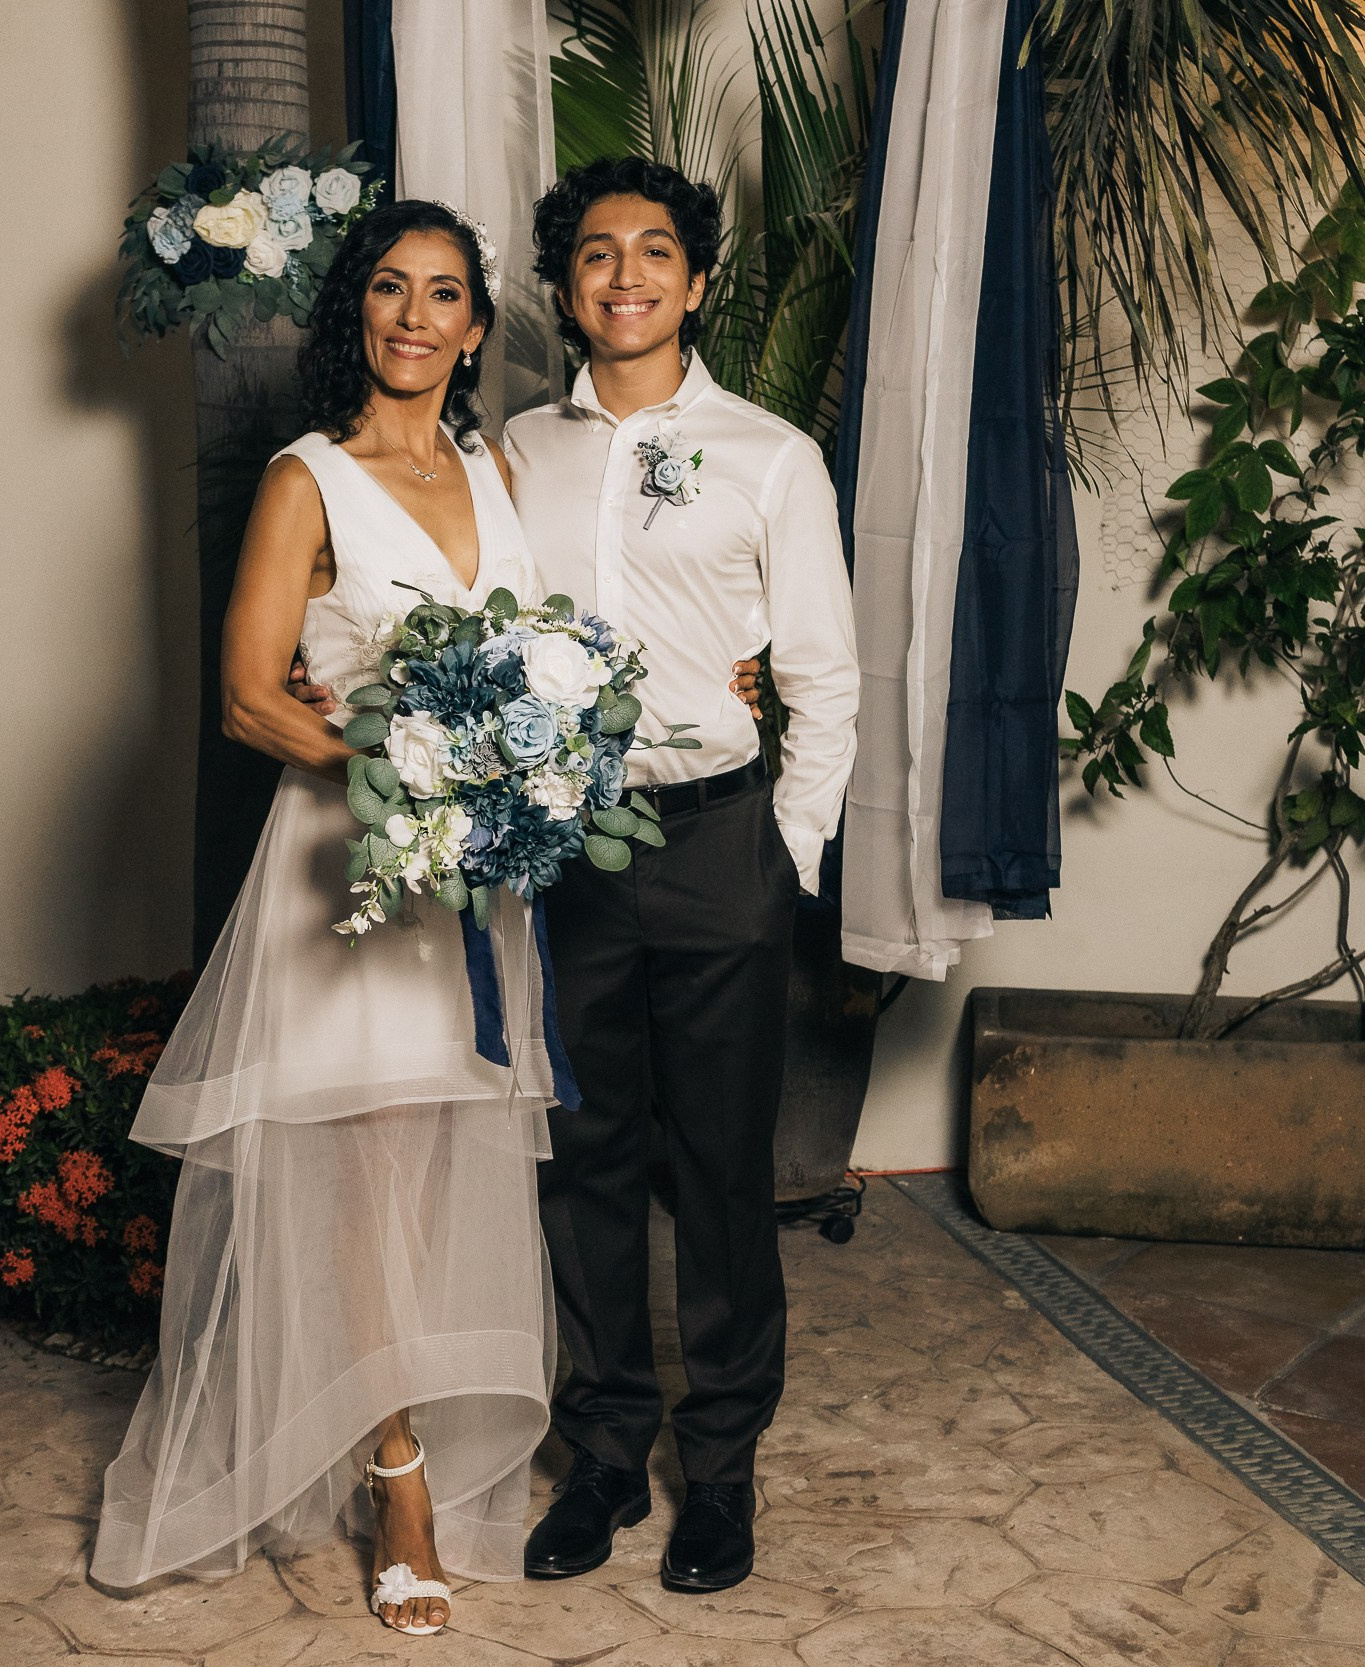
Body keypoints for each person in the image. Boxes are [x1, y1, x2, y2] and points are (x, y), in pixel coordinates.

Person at [89, 201, 558, 1638]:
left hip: (473, 886)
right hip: (351, 877)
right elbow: (246, 697)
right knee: (358, 1180)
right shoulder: (311, 478)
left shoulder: (492, 465)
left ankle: (389, 1426)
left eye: (445, 297)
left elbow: (540, 655)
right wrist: (403, 772)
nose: (415, 318)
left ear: (477, 326)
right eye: (389, 292)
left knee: (435, 1162)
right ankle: (398, 1475)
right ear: (359, 312)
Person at [502, 157, 860, 1595]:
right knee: (580, 1158)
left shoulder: (773, 455)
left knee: (719, 1172)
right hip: (564, 848)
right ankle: (601, 1452)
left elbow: (825, 679)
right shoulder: (518, 450)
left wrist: (783, 852)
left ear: (697, 283)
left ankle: (721, 1473)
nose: (626, 275)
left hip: (720, 842)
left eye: (656, 252)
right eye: (597, 254)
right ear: (567, 285)